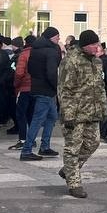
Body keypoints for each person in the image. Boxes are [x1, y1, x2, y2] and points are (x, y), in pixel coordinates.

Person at [56, 29, 107, 198]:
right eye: (94, 44)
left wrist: (104, 108)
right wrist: (68, 114)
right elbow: (64, 90)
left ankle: (69, 169)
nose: (97, 47)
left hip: (92, 112)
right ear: (85, 45)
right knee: (73, 148)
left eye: (98, 44)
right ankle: (74, 183)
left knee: (93, 143)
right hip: (75, 113)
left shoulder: (97, 62)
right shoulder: (71, 61)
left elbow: (100, 88)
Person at [19, 26, 62, 160]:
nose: (59, 39)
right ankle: (26, 150)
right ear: (50, 38)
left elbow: (30, 69)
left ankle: (45, 147)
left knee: (52, 117)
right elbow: (51, 72)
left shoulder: (35, 49)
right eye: (57, 37)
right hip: (46, 90)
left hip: (37, 87)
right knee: (37, 120)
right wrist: (56, 86)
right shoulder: (51, 51)